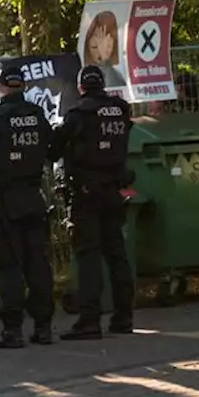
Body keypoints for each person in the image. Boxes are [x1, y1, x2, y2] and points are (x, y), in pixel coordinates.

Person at [0, 64, 55, 349]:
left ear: (1, 86)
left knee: (8, 266)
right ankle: (43, 327)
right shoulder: (37, 116)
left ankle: (12, 330)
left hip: (3, 199)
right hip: (32, 195)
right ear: (24, 86)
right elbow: (51, 148)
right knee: (37, 263)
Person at [54, 65, 135, 339]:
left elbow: (55, 146)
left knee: (88, 256)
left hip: (87, 193)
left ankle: (90, 320)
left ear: (81, 87)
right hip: (115, 190)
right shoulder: (121, 110)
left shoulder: (79, 114)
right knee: (116, 254)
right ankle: (124, 317)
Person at [81, 12, 128, 89]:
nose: (101, 49)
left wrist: (104, 59)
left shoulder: (116, 75)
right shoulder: (82, 74)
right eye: (95, 46)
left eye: (108, 46)